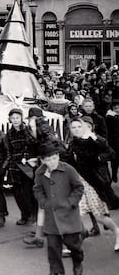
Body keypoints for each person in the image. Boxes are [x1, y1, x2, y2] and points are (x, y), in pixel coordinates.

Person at [33, 142, 85, 275]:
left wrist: (70, 202)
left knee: (74, 245)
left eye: (54, 158)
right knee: (53, 250)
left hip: (69, 215)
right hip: (51, 217)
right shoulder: (40, 172)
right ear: (42, 160)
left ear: (58, 156)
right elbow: (37, 189)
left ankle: (77, 262)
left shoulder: (68, 169)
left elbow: (79, 187)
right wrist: (44, 202)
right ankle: (56, 272)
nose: (52, 162)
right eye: (48, 160)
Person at [68, 117, 119, 250]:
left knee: (99, 216)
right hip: (78, 183)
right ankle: (75, 240)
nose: (76, 129)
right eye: (73, 127)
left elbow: (112, 154)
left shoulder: (95, 140)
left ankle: (118, 233)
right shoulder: (73, 143)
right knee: (74, 212)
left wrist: (98, 158)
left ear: (84, 127)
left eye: (78, 126)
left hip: (93, 183)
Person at [6, 108, 42, 226]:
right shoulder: (9, 133)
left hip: (27, 164)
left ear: (21, 118)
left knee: (28, 191)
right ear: (10, 119)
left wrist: (28, 158)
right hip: (14, 165)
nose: (15, 120)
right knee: (17, 193)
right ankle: (24, 215)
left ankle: (32, 215)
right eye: (13, 118)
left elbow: (33, 144)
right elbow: (9, 150)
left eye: (17, 117)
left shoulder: (27, 129)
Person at [105, 99, 119, 183]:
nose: (117, 109)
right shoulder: (109, 117)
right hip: (114, 141)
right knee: (115, 158)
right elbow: (108, 130)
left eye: (118, 108)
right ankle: (114, 174)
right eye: (115, 108)